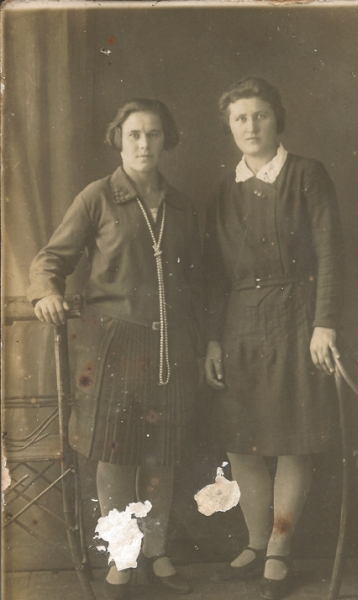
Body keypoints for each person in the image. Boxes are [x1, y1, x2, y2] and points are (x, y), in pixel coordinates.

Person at [28, 98, 202, 599]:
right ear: (119, 141)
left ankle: (157, 552)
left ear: (167, 140)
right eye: (134, 135)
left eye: (153, 134)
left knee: (163, 456)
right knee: (115, 455)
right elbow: (50, 258)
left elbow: (200, 280)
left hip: (171, 344)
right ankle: (122, 557)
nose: (144, 144)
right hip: (114, 344)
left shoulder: (182, 205)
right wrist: (46, 293)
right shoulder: (98, 197)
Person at [203, 77, 345, 600]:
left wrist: (324, 323)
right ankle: (257, 541)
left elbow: (330, 252)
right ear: (229, 127)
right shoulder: (224, 191)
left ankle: (280, 551)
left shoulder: (307, 174)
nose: (251, 126)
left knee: (293, 437)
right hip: (240, 321)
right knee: (241, 438)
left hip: (297, 316)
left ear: (276, 119)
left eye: (259, 115)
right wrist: (214, 341)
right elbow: (213, 276)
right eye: (240, 118)